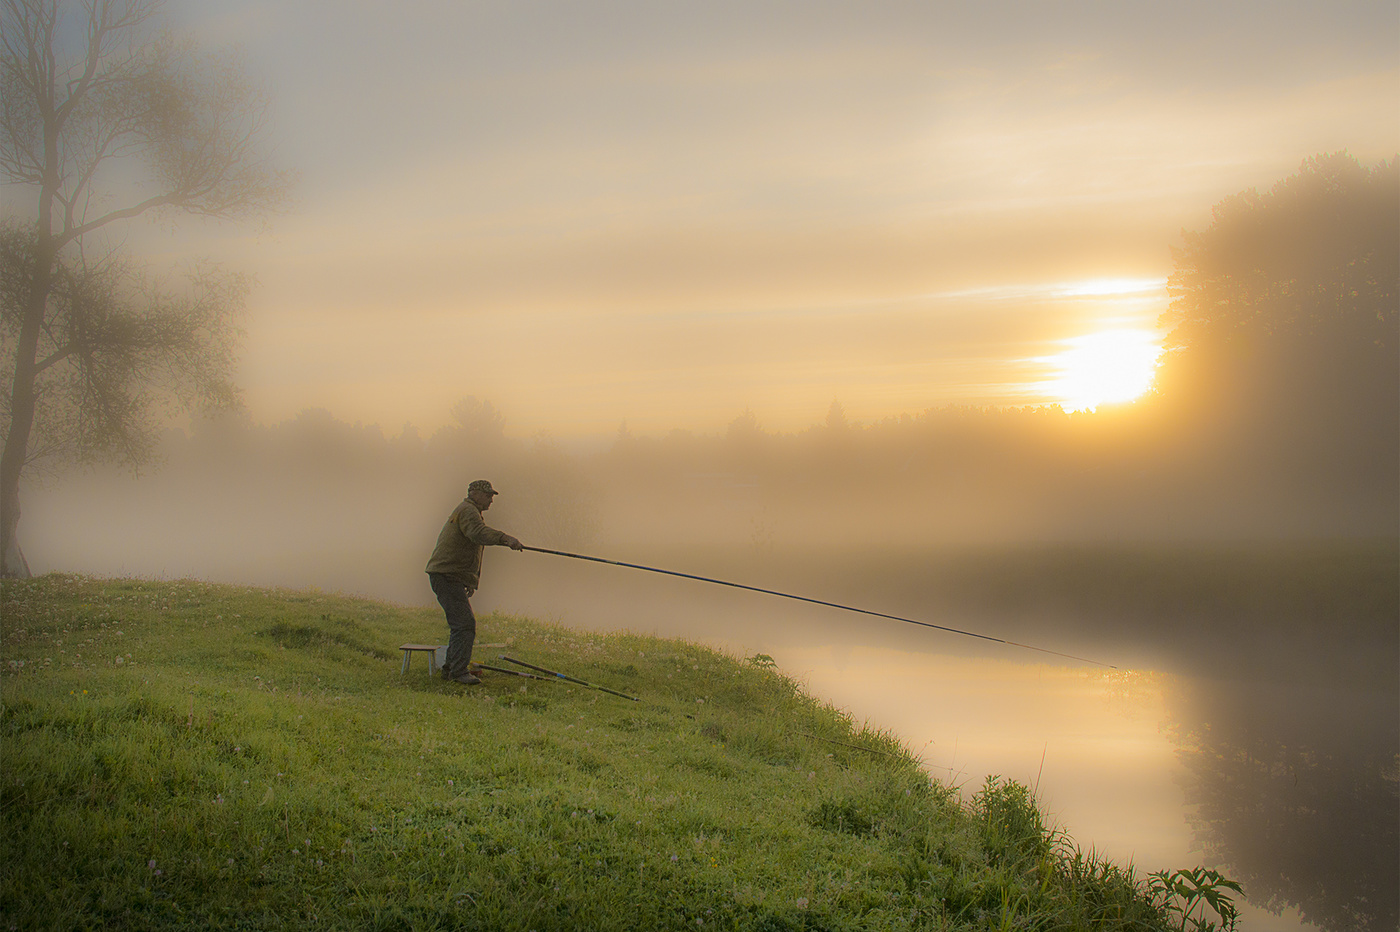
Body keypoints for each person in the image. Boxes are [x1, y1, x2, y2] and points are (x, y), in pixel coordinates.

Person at [425, 479, 523, 685]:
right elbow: (478, 534)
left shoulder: (468, 511)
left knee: (461, 624)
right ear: (475, 493)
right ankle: (458, 672)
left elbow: (469, 548)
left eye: (492, 496)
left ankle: (451, 669)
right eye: (488, 496)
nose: (491, 500)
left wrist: (468, 580)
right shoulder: (468, 511)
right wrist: (506, 539)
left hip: (448, 575)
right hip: (446, 575)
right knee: (464, 624)